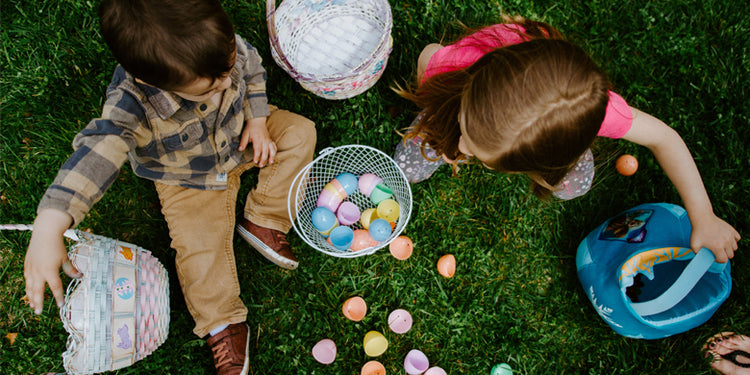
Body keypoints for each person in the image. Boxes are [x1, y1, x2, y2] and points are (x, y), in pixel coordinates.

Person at [23, 0, 316, 373]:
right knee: (199, 249)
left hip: (241, 134)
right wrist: (50, 223)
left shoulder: (217, 46)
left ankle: (265, 218)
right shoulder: (132, 105)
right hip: (187, 179)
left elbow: (252, 68)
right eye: (209, 88)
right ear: (149, 80)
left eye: (228, 70)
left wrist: (258, 119)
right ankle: (222, 322)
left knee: (299, 133)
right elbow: (99, 151)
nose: (227, 83)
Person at [393, 15, 739, 263]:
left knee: (572, 185)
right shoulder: (456, 66)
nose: (463, 150)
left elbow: (664, 137)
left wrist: (703, 216)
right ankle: (447, 126)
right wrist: (448, 115)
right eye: (466, 129)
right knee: (420, 151)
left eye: (475, 150)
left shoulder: (598, 112)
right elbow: (429, 55)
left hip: (552, 131)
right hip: (468, 85)